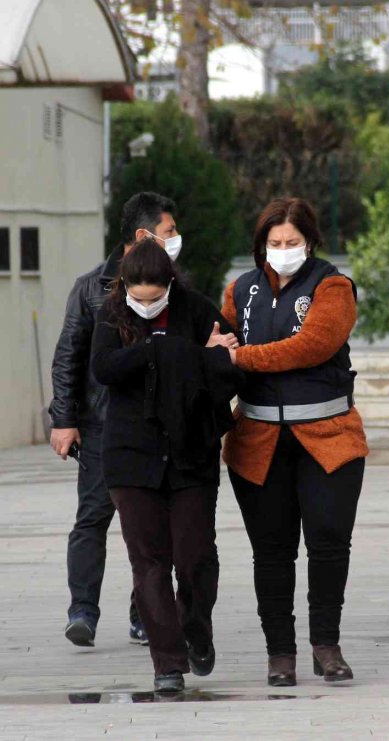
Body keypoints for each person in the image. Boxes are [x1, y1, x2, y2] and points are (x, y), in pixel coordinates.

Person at [221, 198, 368, 687]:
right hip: (257, 441)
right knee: (272, 552)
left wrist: (243, 358)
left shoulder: (333, 286)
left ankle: (326, 645)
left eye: (293, 243)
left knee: (328, 545)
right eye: (274, 243)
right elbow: (217, 343)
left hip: (328, 439)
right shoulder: (240, 290)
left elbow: (313, 346)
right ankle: (279, 654)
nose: (283, 251)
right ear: (261, 243)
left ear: (311, 241)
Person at [91, 239, 242, 693]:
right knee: (149, 563)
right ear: (124, 287)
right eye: (138, 296)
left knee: (195, 556)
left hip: (190, 453)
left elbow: (231, 365)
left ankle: (196, 627)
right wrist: (163, 349)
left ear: (170, 285)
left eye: (155, 296)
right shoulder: (111, 313)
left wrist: (198, 353)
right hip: (131, 459)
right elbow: (103, 368)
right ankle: (167, 663)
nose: (146, 303)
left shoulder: (196, 310)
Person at [50, 191, 181, 648]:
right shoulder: (92, 287)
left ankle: (144, 613)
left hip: (157, 426)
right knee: (93, 517)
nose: (176, 239)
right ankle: (82, 611)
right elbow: (68, 356)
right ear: (143, 236)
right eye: (169, 232)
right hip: (103, 425)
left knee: (151, 525)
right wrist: (64, 419)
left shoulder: (176, 288)